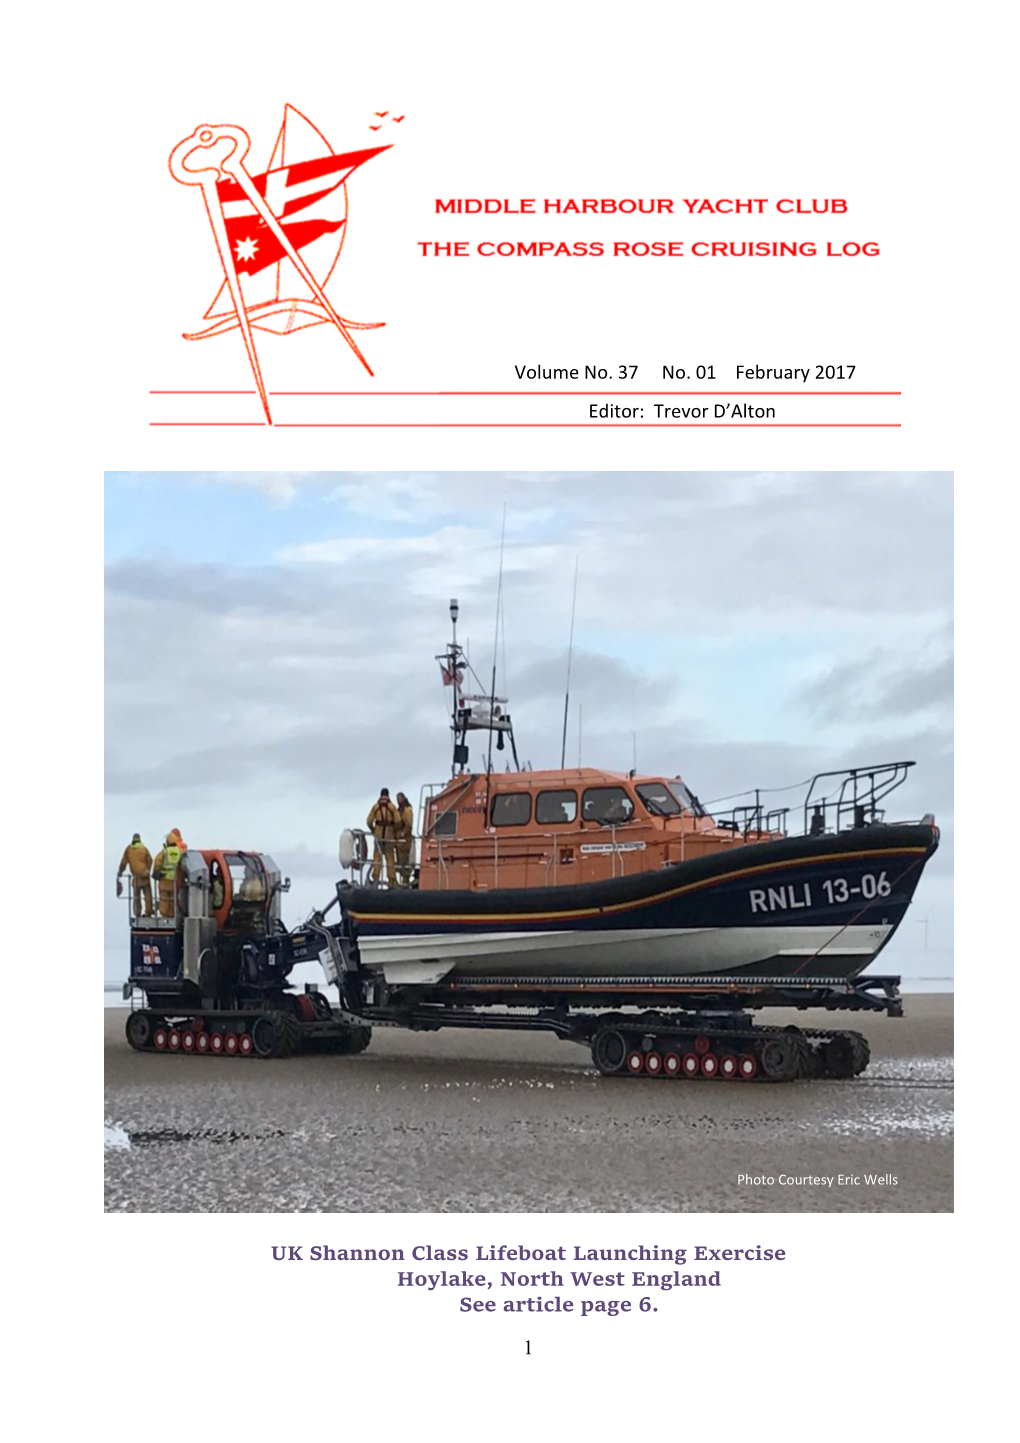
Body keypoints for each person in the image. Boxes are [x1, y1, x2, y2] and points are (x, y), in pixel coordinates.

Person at [366, 787, 399, 886]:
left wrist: (373, 830)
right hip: (389, 836)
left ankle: (376, 880)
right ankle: (391, 881)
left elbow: (368, 821)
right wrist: (394, 830)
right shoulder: (392, 807)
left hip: (378, 836)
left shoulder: (375, 807)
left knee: (377, 858)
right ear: (388, 795)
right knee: (390, 859)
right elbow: (398, 820)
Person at [117, 833, 153, 917]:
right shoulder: (144, 849)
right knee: (148, 896)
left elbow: (123, 863)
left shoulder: (129, 849)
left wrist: (120, 872)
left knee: (136, 897)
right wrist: (147, 870)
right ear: (140, 840)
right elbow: (150, 860)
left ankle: (137, 913)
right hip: (145, 876)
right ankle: (148, 913)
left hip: (136, 877)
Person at [152, 832, 184, 918]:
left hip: (165, 879)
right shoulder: (180, 852)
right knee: (174, 899)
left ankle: (165, 915)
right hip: (176, 880)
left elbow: (157, 862)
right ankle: (172, 915)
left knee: (164, 899)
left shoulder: (164, 852)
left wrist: (156, 872)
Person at [394, 791, 415, 886]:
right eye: (397, 798)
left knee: (405, 862)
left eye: (400, 798)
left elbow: (409, 825)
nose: (398, 800)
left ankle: (405, 881)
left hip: (405, 841)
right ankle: (401, 881)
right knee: (399, 862)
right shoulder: (399, 810)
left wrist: (403, 834)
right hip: (399, 841)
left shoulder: (407, 810)